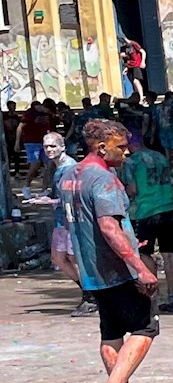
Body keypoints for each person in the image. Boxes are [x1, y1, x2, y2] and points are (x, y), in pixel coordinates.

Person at [71, 121, 159, 383]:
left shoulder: (70, 175)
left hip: (92, 268)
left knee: (111, 332)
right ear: (101, 147)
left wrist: (131, 240)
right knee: (146, 327)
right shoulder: (104, 179)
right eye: (121, 147)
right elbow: (108, 226)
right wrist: (139, 267)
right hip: (116, 269)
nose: (126, 152)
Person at [121, 130, 173, 303]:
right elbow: (172, 179)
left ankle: (155, 292)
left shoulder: (131, 162)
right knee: (169, 253)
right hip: (168, 207)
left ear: (132, 144)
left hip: (146, 210)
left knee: (144, 252)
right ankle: (172, 293)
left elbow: (132, 189)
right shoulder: (160, 157)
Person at [45, 131, 91, 318]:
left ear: (62, 147)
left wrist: (52, 202)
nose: (49, 149)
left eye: (53, 146)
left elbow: (72, 196)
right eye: (46, 146)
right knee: (58, 257)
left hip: (71, 218)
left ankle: (90, 296)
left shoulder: (70, 167)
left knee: (74, 257)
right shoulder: (57, 167)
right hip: (60, 218)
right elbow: (57, 193)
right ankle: (86, 289)